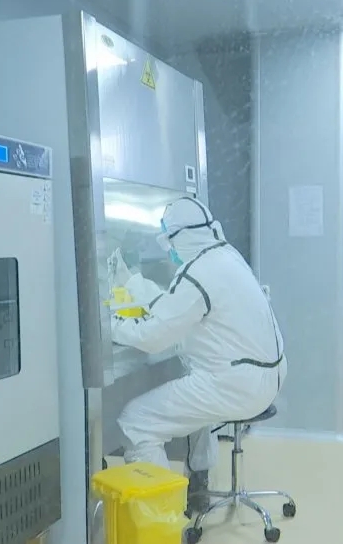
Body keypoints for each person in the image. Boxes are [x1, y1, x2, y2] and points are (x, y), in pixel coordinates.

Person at [108, 197, 287, 512]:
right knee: (192, 402)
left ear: (180, 237)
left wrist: (112, 325)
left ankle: (162, 515)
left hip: (237, 385)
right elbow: (175, 305)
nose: (170, 250)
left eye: (169, 242)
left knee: (136, 421)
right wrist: (133, 282)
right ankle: (199, 485)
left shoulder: (197, 271)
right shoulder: (224, 255)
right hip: (267, 377)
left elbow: (152, 337)